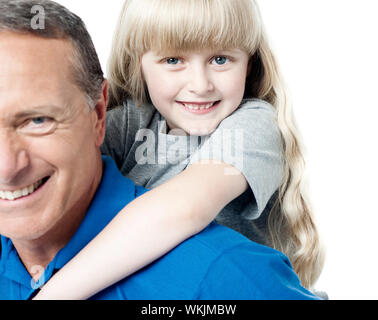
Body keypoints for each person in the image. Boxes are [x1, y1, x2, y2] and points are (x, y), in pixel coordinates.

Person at [0, 0, 319, 300]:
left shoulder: (253, 125)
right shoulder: (132, 121)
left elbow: (183, 208)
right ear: (139, 63)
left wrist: (54, 294)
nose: (200, 84)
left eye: (220, 59)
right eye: (173, 60)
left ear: (249, 64)